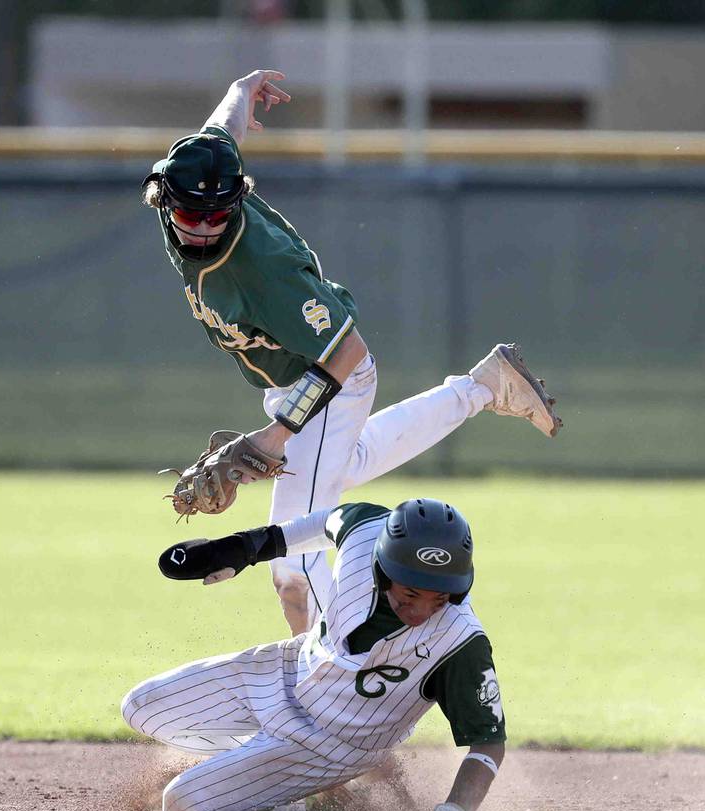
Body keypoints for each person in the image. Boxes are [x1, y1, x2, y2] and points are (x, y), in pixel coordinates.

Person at [142, 68, 561, 636]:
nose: (207, 224)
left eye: (221, 212)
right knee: (348, 464)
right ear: (163, 197)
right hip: (294, 380)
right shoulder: (204, 165)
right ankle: (486, 386)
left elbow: (344, 353)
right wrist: (244, 88)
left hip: (326, 377)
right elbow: (222, 128)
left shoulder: (262, 270)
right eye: (194, 213)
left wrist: (276, 435)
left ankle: (324, 694)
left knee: (292, 565)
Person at [121, 497, 505, 811]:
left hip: (331, 745)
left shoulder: (460, 642)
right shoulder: (365, 531)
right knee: (139, 707)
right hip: (283, 670)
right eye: (410, 593)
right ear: (383, 567)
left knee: (183, 808)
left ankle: (303, 801)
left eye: (439, 598)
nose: (421, 610)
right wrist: (246, 547)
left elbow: (488, 742)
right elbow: (322, 523)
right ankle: (260, 773)